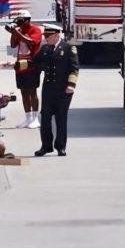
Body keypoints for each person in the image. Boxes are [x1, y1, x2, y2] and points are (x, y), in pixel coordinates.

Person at [34, 25, 80, 157]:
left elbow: (74, 68)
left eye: (48, 37)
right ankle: (46, 146)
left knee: (61, 117)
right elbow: (36, 62)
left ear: (56, 35)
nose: (46, 39)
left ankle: (60, 146)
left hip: (63, 89)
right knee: (45, 117)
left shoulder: (68, 48)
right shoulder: (45, 48)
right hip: (48, 88)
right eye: (45, 37)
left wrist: (71, 85)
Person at [8, 11, 43, 128]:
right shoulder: (19, 30)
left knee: (32, 91)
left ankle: (35, 118)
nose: (19, 23)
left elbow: (32, 42)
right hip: (21, 65)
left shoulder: (35, 30)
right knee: (23, 92)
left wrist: (17, 32)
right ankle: (28, 118)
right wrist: (14, 33)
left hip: (32, 64)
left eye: (21, 21)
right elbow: (13, 45)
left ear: (28, 20)